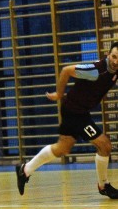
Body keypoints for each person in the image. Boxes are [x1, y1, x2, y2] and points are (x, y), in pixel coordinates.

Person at [16, 42, 118, 199]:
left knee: (62, 148)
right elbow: (66, 71)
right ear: (108, 55)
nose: (116, 61)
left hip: (78, 111)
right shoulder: (95, 71)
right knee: (104, 145)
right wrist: (58, 94)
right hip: (74, 112)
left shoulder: (115, 70)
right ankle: (103, 186)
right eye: (114, 56)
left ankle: (25, 170)